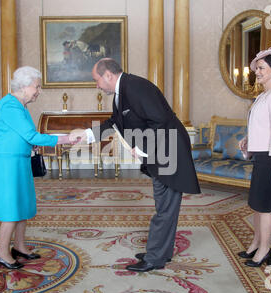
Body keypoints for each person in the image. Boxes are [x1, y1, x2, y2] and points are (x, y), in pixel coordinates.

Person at [85, 58, 200, 272]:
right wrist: (87, 134)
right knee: (164, 205)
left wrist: (142, 149)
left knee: (164, 208)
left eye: (96, 80)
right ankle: (161, 252)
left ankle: (155, 258)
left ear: (108, 75)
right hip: (163, 152)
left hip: (169, 151)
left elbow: (161, 120)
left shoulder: (135, 87)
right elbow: (114, 122)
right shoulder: (123, 91)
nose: (96, 85)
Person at [0, 66, 79, 269]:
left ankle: (19, 246)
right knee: (11, 208)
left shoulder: (20, 106)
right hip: (8, 163)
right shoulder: (10, 106)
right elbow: (31, 135)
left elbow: (24, 135)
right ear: (24, 85)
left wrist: (32, 143)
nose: (38, 91)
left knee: (22, 205)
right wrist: (66, 138)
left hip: (19, 160)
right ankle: (2, 253)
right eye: (37, 86)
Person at [238, 46, 271, 267]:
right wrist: (249, 138)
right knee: (257, 204)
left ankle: (265, 250)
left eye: (261, 68)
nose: (257, 72)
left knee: (265, 206)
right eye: (256, 68)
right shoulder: (262, 96)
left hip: (270, 158)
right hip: (261, 155)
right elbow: (262, 126)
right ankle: (256, 243)